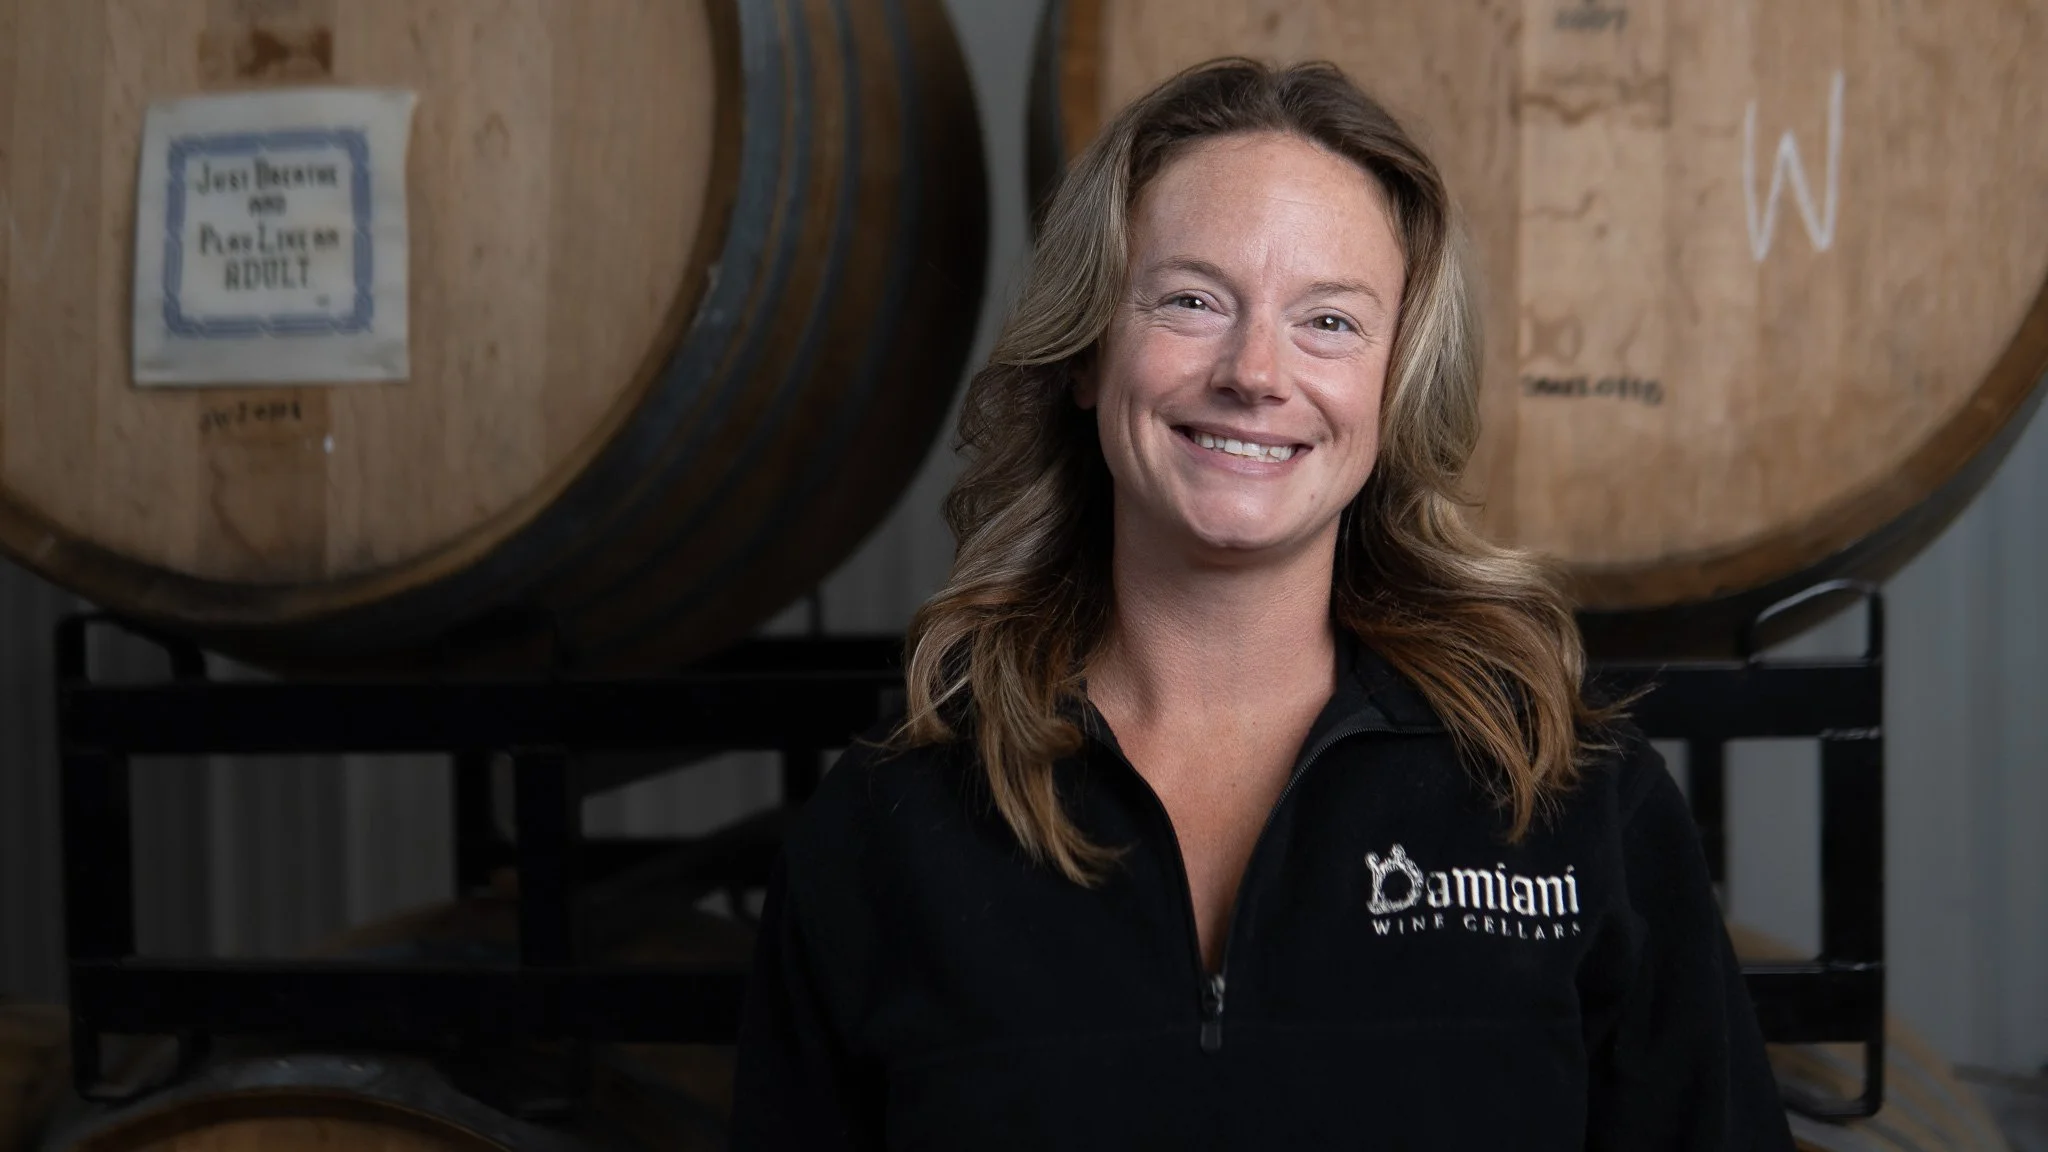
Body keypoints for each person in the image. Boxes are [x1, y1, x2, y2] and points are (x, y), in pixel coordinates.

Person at [730, 57, 1794, 1151]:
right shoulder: (891, 828)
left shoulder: (1567, 799)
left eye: (1328, 322)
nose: (1254, 371)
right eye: (1191, 300)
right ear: (1089, 351)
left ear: (1393, 387)